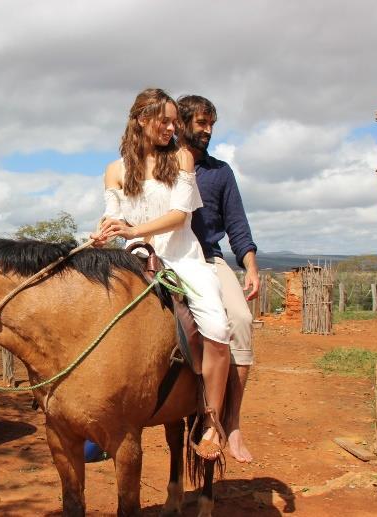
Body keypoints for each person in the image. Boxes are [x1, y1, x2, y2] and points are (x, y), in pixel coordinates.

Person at [91, 88, 231, 460]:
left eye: (174, 121)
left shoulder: (182, 158)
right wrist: (104, 232)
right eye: (164, 120)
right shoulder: (115, 169)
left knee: (217, 331)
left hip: (182, 259)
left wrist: (133, 230)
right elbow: (112, 215)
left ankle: (211, 421)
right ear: (141, 120)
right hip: (134, 260)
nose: (172, 127)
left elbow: (180, 217)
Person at [177, 94, 259, 463]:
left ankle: (232, 420)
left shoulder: (220, 172)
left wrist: (251, 266)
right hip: (163, 260)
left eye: (212, 124)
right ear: (181, 123)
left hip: (209, 259)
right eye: (201, 123)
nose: (208, 131)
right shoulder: (162, 167)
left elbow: (238, 226)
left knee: (240, 319)